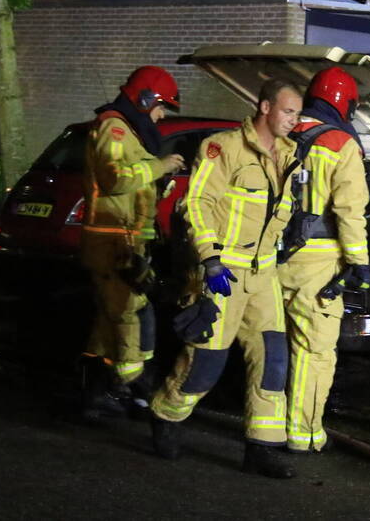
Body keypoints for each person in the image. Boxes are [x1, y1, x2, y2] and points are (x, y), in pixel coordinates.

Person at [149, 79, 303, 479]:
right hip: (223, 274)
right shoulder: (223, 148)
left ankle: (261, 448)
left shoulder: (289, 154)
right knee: (206, 360)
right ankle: (166, 415)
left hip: (264, 272)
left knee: (272, 360)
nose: (294, 120)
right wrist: (210, 260)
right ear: (265, 107)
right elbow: (197, 203)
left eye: (297, 113)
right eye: (288, 111)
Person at [80, 65, 185, 419]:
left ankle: (97, 394)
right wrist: (158, 166)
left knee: (107, 322)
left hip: (124, 242)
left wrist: (157, 184)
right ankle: (138, 390)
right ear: (144, 99)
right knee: (130, 315)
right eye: (161, 106)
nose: (161, 114)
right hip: (112, 244)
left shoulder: (129, 132)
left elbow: (130, 184)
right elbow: (114, 179)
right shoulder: (116, 128)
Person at [277, 66, 370, 454]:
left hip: (269, 258)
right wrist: (359, 262)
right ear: (344, 103)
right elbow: (350, 212)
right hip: (317, 264)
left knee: (269, 346)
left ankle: (262, 428)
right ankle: (303, 434)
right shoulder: (341, 145)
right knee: (313, 350)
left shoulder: (279, 135)